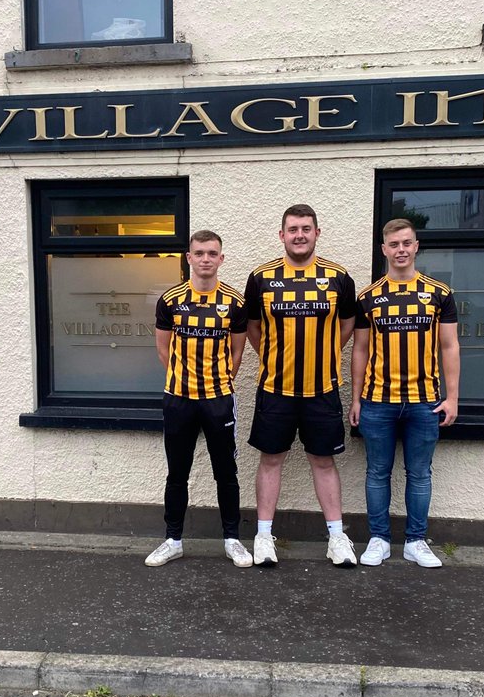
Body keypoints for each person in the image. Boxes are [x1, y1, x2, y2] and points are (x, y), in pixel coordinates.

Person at [245, 204, 358, 567]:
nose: (299, 235)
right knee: (271, 459)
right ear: (281, 235)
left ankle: (337, 538)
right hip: (276, 388)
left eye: (306, 228)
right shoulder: (261, 277)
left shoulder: (338, 277)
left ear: (317, 233)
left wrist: (322, 354)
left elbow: (346, 327)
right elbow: (252, 329)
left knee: (323, 461)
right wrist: (277, 356)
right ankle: (263, 536)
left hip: (321, 388)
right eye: (292, 229)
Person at [348, 217, 461, 568]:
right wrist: (355, 399)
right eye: (394, 244)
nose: (401, 250)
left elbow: (450, 347)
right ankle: (379, 539)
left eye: (407, 243)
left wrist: (452, 397)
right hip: (378, 400)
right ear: (384, 249)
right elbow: (360, 350)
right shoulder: (368, 297)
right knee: (377, 472)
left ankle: (415, 540)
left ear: (416, 246)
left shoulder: (439, 294)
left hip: (424, 401)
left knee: (420, 473)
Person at [144, 230, 253, 568]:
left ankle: (232, 540)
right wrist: (185, 380)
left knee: (227, 472)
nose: (206, 258)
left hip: (218, 399)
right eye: (199, 253)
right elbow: (163, 349)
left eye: (212, 253)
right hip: (178, 398)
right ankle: (173, 540)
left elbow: (237, 354)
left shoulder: (235, 302)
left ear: (221, 258)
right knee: (177, 472)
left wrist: (215, 382)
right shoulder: (171, 299)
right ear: (188, 257)